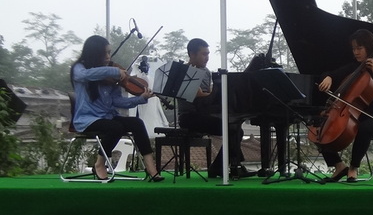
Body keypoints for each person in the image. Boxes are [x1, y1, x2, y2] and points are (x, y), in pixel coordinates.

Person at [70, 35, 163, 182]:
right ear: (95, 53)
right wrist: (113, 71)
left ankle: (152, 168)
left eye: (109, 53)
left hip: (107, 116)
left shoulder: (110, 78)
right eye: (105, 53)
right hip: (87, 119)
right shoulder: (79, 68)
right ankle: (100, 164)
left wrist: (141, 98)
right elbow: (85, 75)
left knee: (137, 123)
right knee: (115, 127)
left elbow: (117, 101)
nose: (108, 57)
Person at [314, 29, 373, 182]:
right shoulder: (353, 68)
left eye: (359, 48)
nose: (356, 52)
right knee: (318, 127)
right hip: (351, 114)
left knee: (364, 128)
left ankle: (353, 167)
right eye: (353, 49)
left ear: (369, 47)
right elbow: (332, 73)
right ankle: (339, 166)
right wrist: (328, 77)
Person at [177, 38, 254, 180]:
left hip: (204, 113)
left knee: (235, 129)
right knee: (233, 129)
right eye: (203, 54)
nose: (207, 58)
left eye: (208, 54)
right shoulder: (183, 72)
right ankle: (225, 166)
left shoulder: (206, 72)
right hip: (189, 117)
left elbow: (207, 94)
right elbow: (198, 95)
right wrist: (213, 93)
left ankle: (221, 166)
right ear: (192, 54)